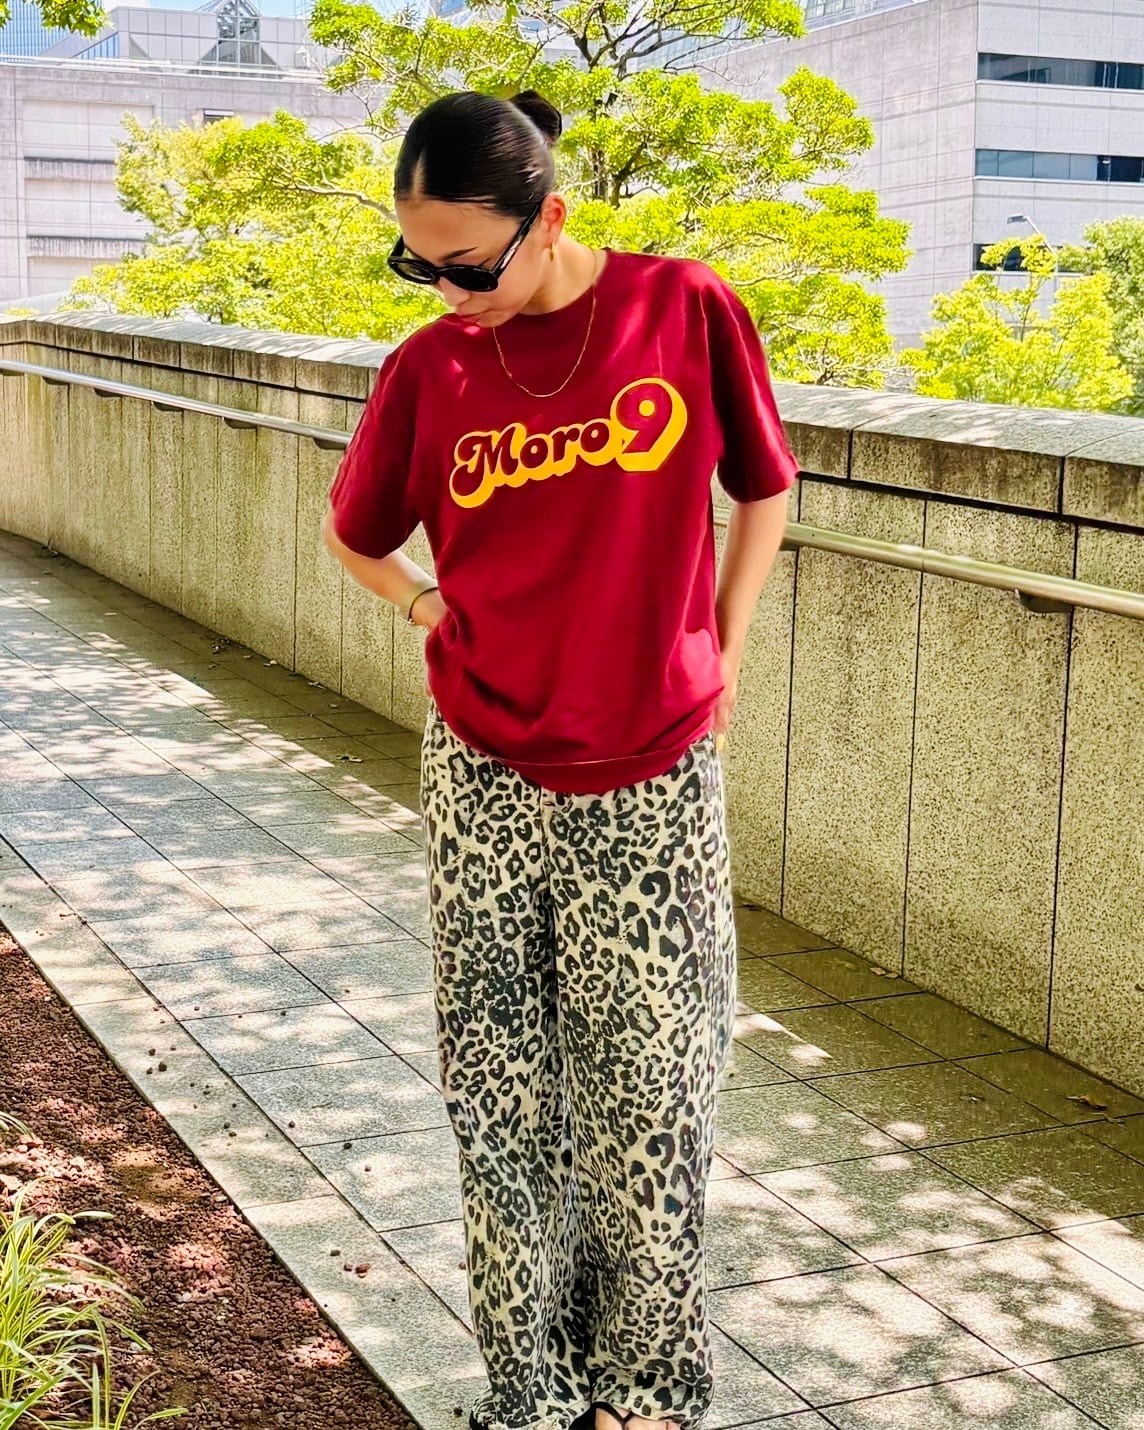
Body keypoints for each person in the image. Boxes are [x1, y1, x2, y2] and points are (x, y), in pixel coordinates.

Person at [321, 88, 797, 1430]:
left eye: (469, 264)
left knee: (650, 1096)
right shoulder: (429, 369)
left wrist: (721, 645)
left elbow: (766, 482)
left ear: (551, 218)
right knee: (502, 1098)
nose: (446, 292)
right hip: (482, 769)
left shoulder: (681, 307)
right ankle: (530, 1391)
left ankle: (644, 1393)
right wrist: (427, 606)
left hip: (651, 766)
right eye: (418, 262)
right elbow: (356, 530)